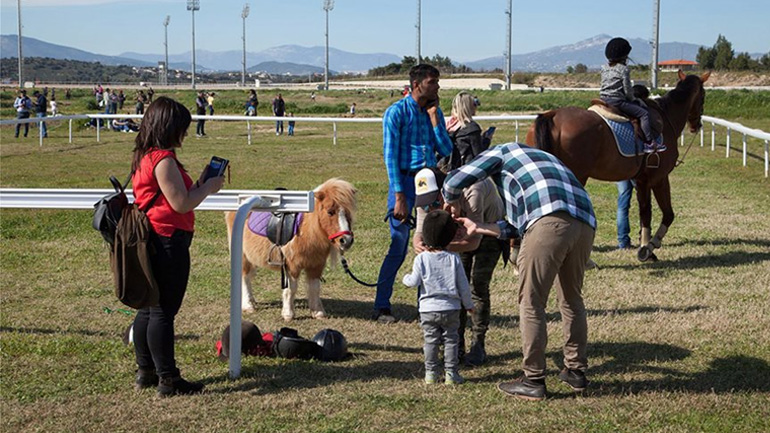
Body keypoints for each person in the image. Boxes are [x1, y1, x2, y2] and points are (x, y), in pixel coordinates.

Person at [444, 142, 596, 401]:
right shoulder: (541, 162)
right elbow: (517, 229)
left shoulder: (502, 152)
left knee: (531, 301)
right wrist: (479, 226)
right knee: (571, 299)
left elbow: (453, 181)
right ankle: (575, 371)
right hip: (584, 223)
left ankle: (533, 379)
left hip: (548, 221)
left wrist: (453, 202)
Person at [130, 96, 225, 397]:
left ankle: (146, 370)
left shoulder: (146, 156)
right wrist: (208, 189)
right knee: (162, 312)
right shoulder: (163, 160)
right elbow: (181, 203)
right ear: (169, 127)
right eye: (182, 128)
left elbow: (177, 195)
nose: (184, 134)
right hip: (168, 239)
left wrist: (197, 184)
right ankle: (168, 378)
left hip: (153, 238)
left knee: (149, 308)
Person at [373, 64, 453, 324]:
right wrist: (399, 196)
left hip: (429, 181)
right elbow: (390, 157)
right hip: (405, 183)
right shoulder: (395, 112)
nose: (437, 86)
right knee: (398, 246)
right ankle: (382, 305)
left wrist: (435, 120)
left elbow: (445, 147)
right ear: (417, 84)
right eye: (433, 82)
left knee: (431, 244)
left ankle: (425, 306)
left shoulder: (433, 112)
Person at [412, 165, 503, 367]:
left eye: (435, 202)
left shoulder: (473, 190)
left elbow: (474, 241)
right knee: (455, 286)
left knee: (477, 288)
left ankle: (478, 345)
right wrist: (419, 244)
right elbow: (419, 232)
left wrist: (435, 245)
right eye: (426, 205)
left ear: (446, 190)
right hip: (453, 231)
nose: (430, 209)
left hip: (490, 232)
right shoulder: (425, 198)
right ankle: (456, 345)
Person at [403, 210, 473, 385]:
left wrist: (405, 278)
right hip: (451, 308)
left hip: (428, 309)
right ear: (450, 237)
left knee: (430, 341)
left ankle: (431, 373)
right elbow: (463, 285)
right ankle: (451, 373)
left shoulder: (421, 259)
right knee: (451, 341)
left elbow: (413, 281)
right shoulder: (454, 258)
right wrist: (469, 304)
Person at [600, 37, 664, 153]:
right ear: (624, 55)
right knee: (644, 114)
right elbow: (627, 89)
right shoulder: (624, 69)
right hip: (617, 101)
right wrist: (634, 99)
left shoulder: (604, 68)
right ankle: (649, 143)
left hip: (603, 99)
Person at [616, 179, 635, 249]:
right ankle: (645, 236)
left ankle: (623, 241)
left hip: (621, 171)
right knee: (644, 200)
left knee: (622, 205)